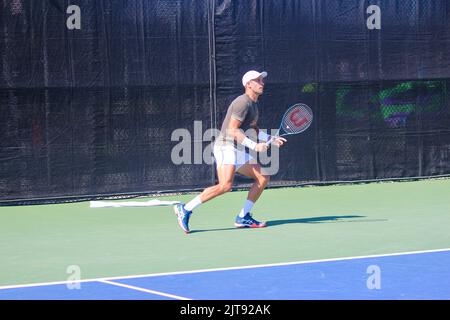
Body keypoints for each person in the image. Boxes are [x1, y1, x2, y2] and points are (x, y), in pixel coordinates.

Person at [173, 70, 286, 234]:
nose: (262, 83)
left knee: (263, 177)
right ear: (248, 85)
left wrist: (271, 138)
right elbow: (233, 130)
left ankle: (243, 217)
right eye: (258, 80)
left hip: (237, 148)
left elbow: (253, 130)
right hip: (226, 146)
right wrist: (255, 147)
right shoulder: (242, 103)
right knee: (225, 185)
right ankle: (186, 209)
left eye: (262, 80)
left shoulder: (253, 105)